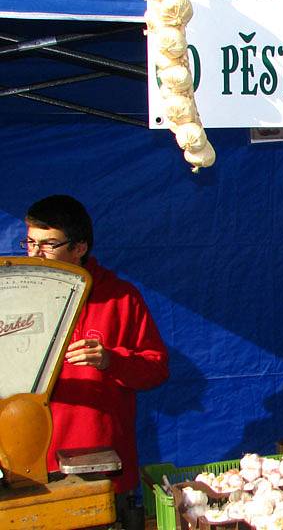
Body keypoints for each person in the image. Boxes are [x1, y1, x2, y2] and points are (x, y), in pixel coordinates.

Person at [23, 195, 169, 528]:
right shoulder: (14, 295)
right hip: (26, 460)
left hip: (97, 460)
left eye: (48, 245)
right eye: (30, 242)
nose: (34, 253)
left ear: (79, 248)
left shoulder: (120, 297)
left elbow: (156, 368)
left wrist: (110, 360)